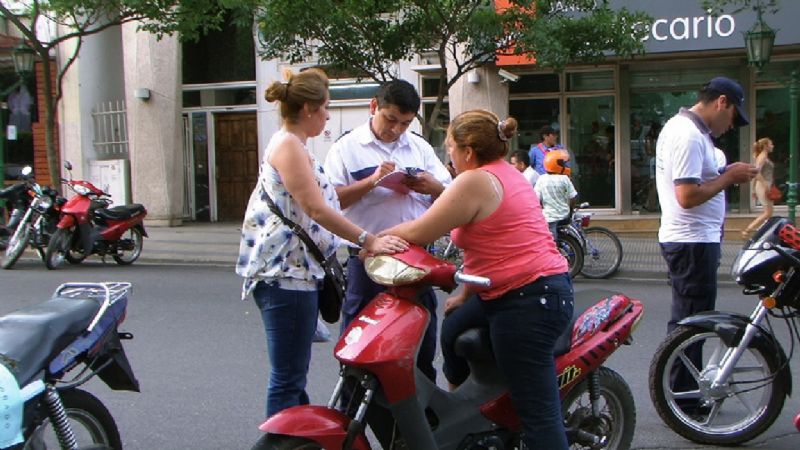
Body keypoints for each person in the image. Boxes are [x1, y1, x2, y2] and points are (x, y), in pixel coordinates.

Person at [382, 109, 573, 450]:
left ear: (468, 152)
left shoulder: (475, 181)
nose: (448, 155)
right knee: (453, 328)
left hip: (532, 299)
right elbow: (493, 241)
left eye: (450, 148)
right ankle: (467, 420)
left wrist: (370, 241)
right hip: (504, 292)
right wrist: (465, 292)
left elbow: (419, 230)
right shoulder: (503, 173)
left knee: (539, 414)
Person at [235, 68, 407, 418]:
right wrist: (367, 239)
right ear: (310, 108)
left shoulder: (295, 146)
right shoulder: (288, 147)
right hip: (287, 275)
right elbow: (316, 208)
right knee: (288, 377)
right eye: (326, 107)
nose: (328, 115)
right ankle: (282, 442)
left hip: (295, 272)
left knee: (293, 377)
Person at [323, 79, 451, 382]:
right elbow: (330, 201)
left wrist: (432, 187)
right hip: (367, 258)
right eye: (390, 119)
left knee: (420, 336)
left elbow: (447, 193)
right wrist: (372, 182)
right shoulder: (347, 147)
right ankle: (352, 408)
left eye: (404, 123)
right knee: (360, 337)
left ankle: (420, 414)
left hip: (415, 258)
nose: (395, 129)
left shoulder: (418, 146)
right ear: (373, 107)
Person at [655, 76, 758, 408]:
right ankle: (683, 401)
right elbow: (686, 195)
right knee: (691, 325)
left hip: (697, 240)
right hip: (691, 242)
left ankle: (682, 395)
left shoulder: (693, 133)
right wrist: (729, 176)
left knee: (692, 321)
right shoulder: (687, 135)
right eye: (733, 117)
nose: (731, 126)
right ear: (722, 102)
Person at [534, 150, 578, 241]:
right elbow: (573, 197)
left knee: (551, 243)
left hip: (549, 218)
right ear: (557, 164)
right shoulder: (564, 178)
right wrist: (570, 209)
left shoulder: (541, 179)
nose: (565, 166)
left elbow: (536, 200)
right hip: (564, 216)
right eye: (563, 164)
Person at [742, 138, 776, 238]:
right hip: (763, 186)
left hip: (763, 185)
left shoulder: (763, 156)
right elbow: (756, 172)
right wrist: (765, 184)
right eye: (771, 144)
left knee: (769, 212)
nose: (772, 146)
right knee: (767, 212)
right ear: (765, 146)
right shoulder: (762, 157)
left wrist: (753, 189)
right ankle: (748, 230)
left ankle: (763, 232)